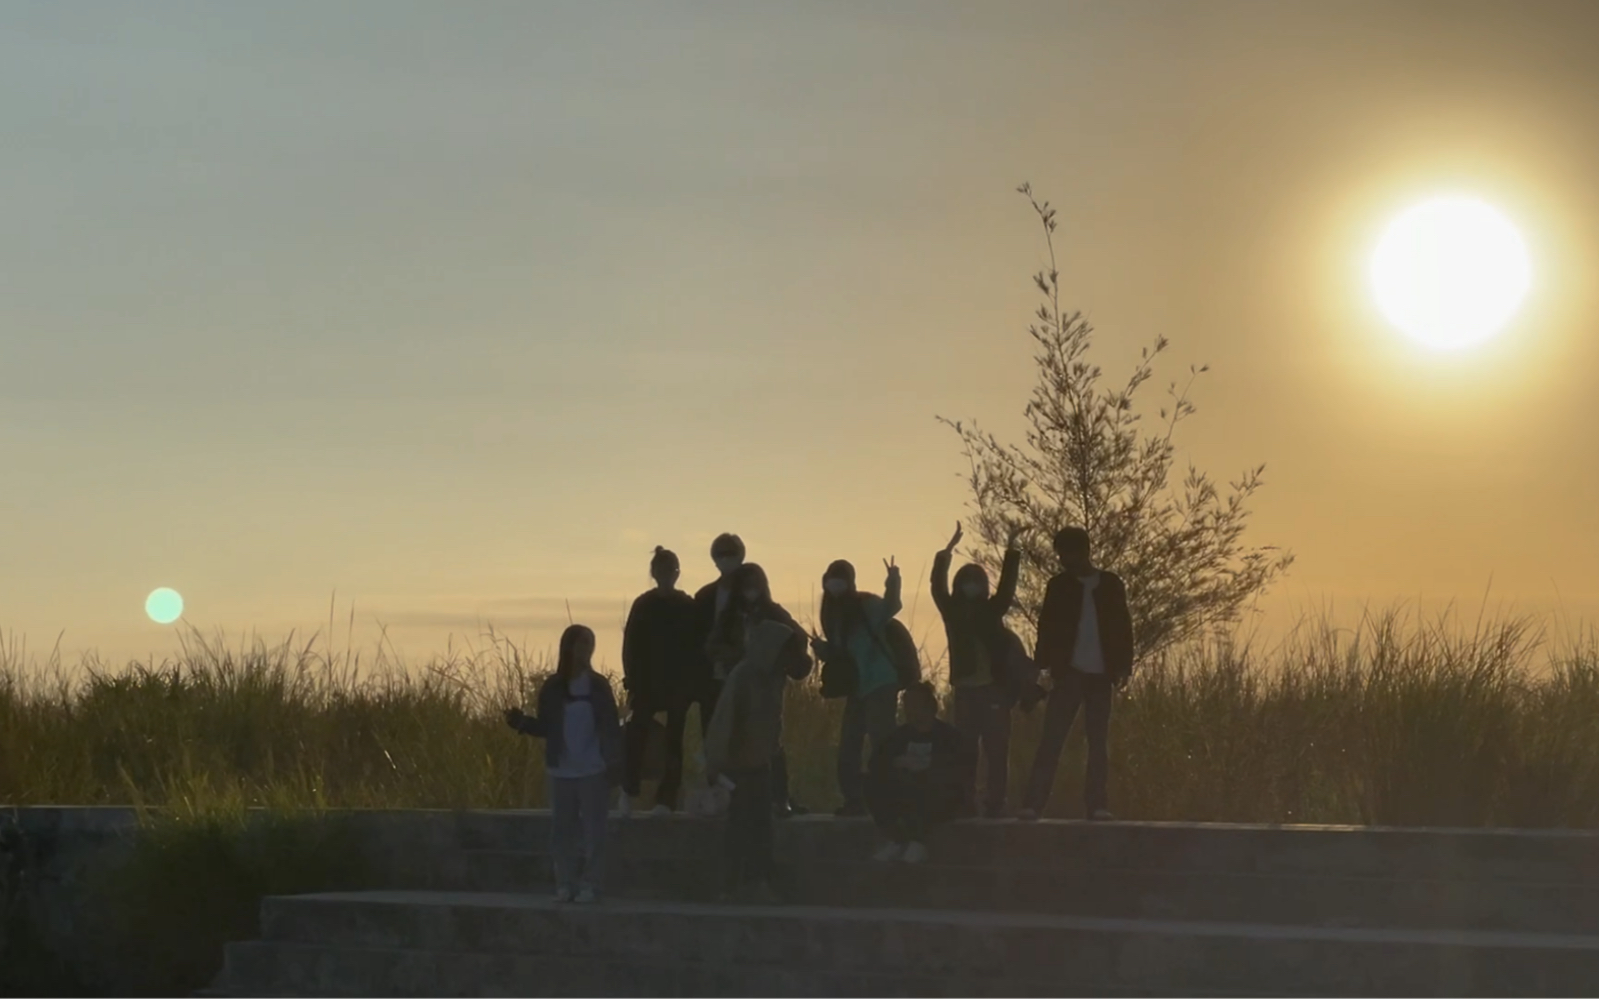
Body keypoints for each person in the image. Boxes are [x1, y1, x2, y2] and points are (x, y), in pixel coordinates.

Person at [703, 563, 813, 903]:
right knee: (740, 829)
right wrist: (716, 764)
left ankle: (756, 882)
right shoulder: (745, 675)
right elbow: (723, 723)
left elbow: (772, 723)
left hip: (760, 763)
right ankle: (732, 885)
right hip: (738, 766)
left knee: (761, 829)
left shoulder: (771, 676)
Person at [1018, 526, 1135, 822]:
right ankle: (1034, 804)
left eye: (1066, 553)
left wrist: (1123, 665)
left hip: (1101, 674)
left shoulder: (1110, 584)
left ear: (1082, 551)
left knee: (1097, 743)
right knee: (1052, 740)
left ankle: (1097, 805)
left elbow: (1123, 625)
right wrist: (1041, 663)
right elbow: (1048, 626)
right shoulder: (1058, 586)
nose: (1063, 560)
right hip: (1069, 671)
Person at [505, 624, 623, 904]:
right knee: (562, 830)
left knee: (595, 831)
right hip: (561, 768)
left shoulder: (598, 685)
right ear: (568, 647)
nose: (585, 650)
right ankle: (565, 882)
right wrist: (521, 723)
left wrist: (616, 762)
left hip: (593, 768)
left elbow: (610, 727)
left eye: (589, 644)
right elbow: (546, 725)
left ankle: (591, 883)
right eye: (580, 644)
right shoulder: (553, 687)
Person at [694, 532, 807, 819]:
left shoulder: (773, 612)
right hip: (734, 683)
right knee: (734, 740)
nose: (750, 590)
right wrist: (732, 656)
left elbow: (797, 637)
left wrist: (773, 656)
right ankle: (736, 796)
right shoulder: (730, 615)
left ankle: (780, 799)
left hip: (766, 687)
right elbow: (711, 645)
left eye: (755, 585)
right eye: (746, 586)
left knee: (771, 741)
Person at [931, 520, 1023, 818]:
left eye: (976, 581)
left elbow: (1007, 588)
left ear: (983, 586)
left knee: (997, 750)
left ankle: (996, 802)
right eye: (966, 580)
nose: (971, 585)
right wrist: (946, 552)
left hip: (993, 689)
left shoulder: (992, 610)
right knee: (965, 750)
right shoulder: (952, 611)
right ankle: (965, 801)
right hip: (966, 690)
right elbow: (937, 587)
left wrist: (1012, 549)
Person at [813, 557, 903, 816]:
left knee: (881, 742)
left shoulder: (865, 604)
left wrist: (893, 580)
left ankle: (886, 798)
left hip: (880, 681)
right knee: (849, 745)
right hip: (856, 687)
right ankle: (855, 799)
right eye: (832, 577)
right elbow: (841, 653)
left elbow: (891, 606)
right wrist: (824, 650)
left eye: (840, 577)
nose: (835, 583)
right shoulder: (832, 613)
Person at [621, 546, 700, 816]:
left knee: (673, 742)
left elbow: (695, 647)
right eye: (663, 571)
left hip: (677, 685)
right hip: (646, 683)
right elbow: (631, 645)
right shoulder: (643, 605)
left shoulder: (687, 605)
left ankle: (666, 800)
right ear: (654, 573)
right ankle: (629, 792)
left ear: (677, 573)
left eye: (671, 571)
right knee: (635, 736)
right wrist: (631, 679)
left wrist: (691, 685)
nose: (667, 575)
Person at [866, 681, 974, 864]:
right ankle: (897, 840)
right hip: (904, 789)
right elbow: (876, 763)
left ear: (928, 706)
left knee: (930, 782)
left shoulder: (949, 736)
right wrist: (896, 763)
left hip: (939, 794)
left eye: (914, 704)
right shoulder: (898, 737)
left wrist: (928, 766)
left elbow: (961, 768)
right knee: (873, 782)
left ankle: (918, 842)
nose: (909, 710)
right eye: (906, 705)